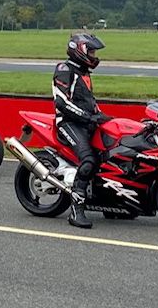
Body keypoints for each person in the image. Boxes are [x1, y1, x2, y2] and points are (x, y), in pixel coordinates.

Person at [53, 33, 108, 229]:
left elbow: (89, 102)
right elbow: (62, 102)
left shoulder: (84, 72)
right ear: (79, 50)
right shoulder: (64, 69)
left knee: (109, 155)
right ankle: (76, 210)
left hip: (87, 123)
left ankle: (111, 205)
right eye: (91, 51)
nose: (94, 55)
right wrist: (89, 117)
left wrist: (101, 116)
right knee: (88, 161)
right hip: (68, 123)